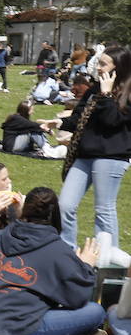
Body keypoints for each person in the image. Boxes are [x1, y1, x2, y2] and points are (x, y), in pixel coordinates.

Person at [0, 187, 104, 335]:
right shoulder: (57, 249)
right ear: (55, 214)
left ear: (24, 210)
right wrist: (85, 265)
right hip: (5, 331)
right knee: (95, 312)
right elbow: (77, 297)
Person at [57, 46, 131, 260]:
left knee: (104, 210)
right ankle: (67, 254)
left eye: (103, 64)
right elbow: (79, 117)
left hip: (111, 156)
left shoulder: (127, 91)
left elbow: (112, 121)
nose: (98, 67)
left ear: (119, 67)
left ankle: (108, 260)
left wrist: (107, 94)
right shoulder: (94, 89)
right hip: (85, 155)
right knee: (65, 205)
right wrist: (58, 122)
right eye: (98, 63)